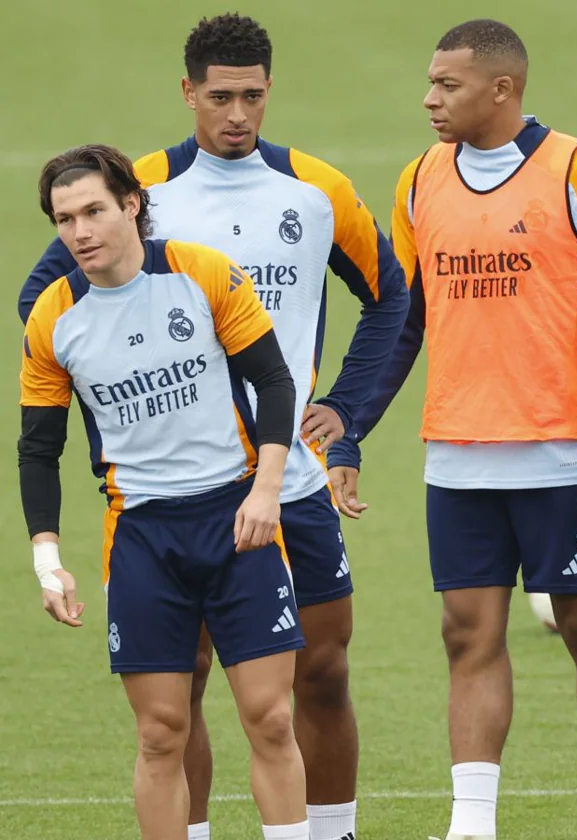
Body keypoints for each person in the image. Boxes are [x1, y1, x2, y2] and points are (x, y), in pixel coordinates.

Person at [19, 15, 407, 840]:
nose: (238, 114)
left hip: (286, 482)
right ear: (188, 92)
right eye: (221, 96)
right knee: (181, 689)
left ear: (270, 91)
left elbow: (392, 297)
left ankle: (332, 832)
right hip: (172, 499)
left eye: (254, 96)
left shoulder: (317, 190)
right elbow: (48, 312)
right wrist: (121, 426)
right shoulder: (139, 188)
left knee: (324, 670)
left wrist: (348, 410)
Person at [324, 18, 577, 840]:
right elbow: (406, 322)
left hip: (559, 453)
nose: (429, 98)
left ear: (502, 89)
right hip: (457, 455)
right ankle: (471, 823)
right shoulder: (417, 183)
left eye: (448, 84)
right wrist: (351, 430)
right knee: (466, 634)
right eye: (432, 82)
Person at [19, 144, 309, 840]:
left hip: (238, 519)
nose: (80, 231)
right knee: (160, 732)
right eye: (64, 219)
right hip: (144, 536)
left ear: (131, 205)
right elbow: (39, 449)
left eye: (93, 210)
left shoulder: (199, 272)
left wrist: (267, 490)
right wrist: (45, 557)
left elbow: (273, 381)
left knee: (270, 718)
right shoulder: (53, 318)